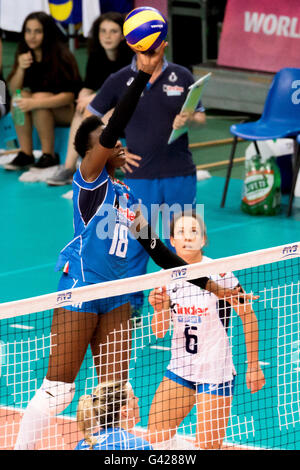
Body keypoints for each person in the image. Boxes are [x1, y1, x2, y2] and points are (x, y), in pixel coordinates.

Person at [14, 44, 249, 450]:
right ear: (94, 154)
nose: (120, 144)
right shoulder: (90, 183)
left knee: (113, 392)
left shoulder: (126, 197)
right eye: (112, 142)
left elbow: (161, 251)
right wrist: (141, 74)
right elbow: (111, 125)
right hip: (84, 290)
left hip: (122, 298)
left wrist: (215, 287)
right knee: (59, 392)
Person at [85, 46, 206, 323]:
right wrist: (115, 151)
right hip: (139, 178)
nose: (150, 51)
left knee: (185, 240)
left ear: (163, 44)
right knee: (137, 243)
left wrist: (190, 120)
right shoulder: (119, 79)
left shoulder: (182, 76)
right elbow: (92, 118)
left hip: (180, 173)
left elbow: (201, 117)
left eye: (155, 45)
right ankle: (132, 304)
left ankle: (186, 298)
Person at [147, 211, 266, 450]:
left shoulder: (220, 274)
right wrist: (158, 309)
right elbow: (160, 332)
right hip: (180, 369)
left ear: (204, 240)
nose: (188, 237)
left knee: (208, 447)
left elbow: (248, 317)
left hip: (215, 372)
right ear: (171, 241)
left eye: (194, 232)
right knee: (156, 437)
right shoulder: (164, 277)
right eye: (181, 232)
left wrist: (253, 366)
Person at [46, 12, 133, 186]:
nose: (107, 36)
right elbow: (88, 86)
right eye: (103, 31)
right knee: (81, 113)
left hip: (132, 112)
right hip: (107, 109)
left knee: (107, 114)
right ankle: (69, 168)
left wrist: (93, 98)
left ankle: (98, 167)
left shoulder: (131, 58)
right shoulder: (96, 56)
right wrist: (83, 98)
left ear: (123, 35)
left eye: (113, 31)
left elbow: (128, 94)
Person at [5, 11, 81, 171]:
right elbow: (13, 90)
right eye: (28, 31)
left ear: (47, 33)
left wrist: (35, 102)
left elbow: (69, 97)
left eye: (37, 31)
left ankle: (49, 155)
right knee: (20, 97)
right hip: (42, 109)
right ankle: (26, 153)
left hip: (69, 111)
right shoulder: (25, 54)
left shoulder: (61, 55)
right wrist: (20, 67)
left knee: (39, 99)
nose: (32, 36)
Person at [75, 381, 152, 450]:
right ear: (125, 411)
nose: (137, 399)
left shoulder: (82, 444)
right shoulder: (138, 446)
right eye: (133, 398)